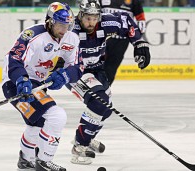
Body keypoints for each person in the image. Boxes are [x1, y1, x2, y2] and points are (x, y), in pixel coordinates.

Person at [68, 0, 151, 165]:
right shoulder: (70, 28)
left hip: (98, 70)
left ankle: (87, 136)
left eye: (94, 18)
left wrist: (140, 44)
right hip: (76, 71)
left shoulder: (106, 21)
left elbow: (128, 22)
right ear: (80, 15)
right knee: (100, 104)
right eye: (87, 18)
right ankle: (79, 145)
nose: (91, 22)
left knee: (106, 110)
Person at [1, 2, 82, 171]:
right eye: (60, 24)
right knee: (56, 116)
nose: (63, 30)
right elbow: (13, 59)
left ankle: (26, 159)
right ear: (50, 21)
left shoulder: (71, 38)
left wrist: (66, 75)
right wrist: (21, 80)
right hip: (15, 83)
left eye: (67, 25)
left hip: (38, 84)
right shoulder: (33, 35)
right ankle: (44, 161)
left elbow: (77, 66)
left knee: (37, 124)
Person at [99, 0, 147, 85]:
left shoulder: (134, 2)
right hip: (102, 38)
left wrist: (137, 41)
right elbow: (94, 15)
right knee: (96, 65)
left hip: (121, 41)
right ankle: (93, 90)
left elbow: (141, 21)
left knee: (111, 68)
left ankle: (104, 91)